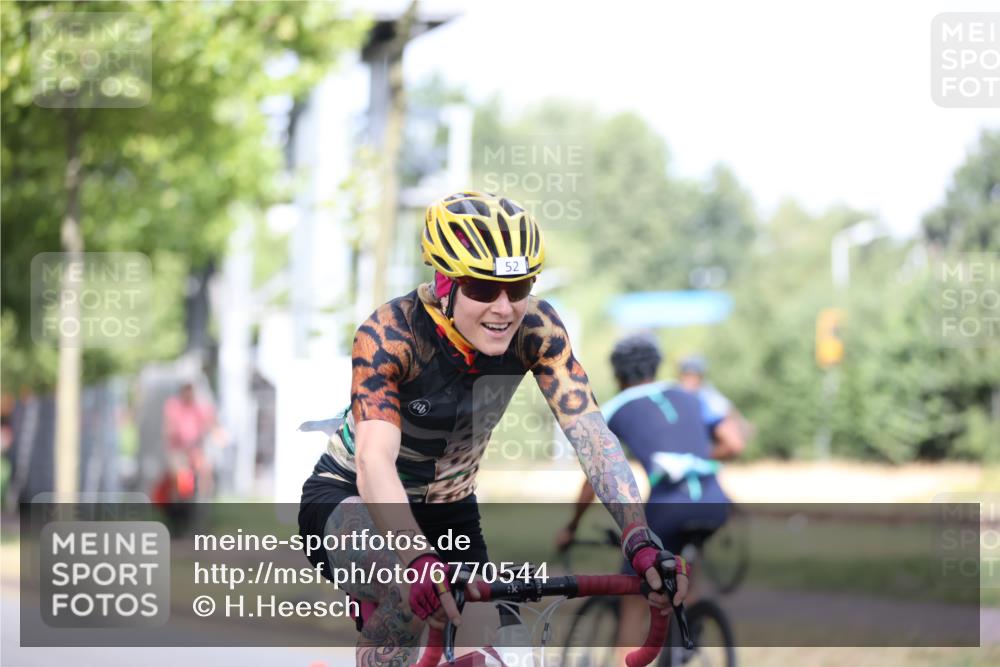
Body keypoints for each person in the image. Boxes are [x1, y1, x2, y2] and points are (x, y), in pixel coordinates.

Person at [297, 192, 687, 665]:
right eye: (483, 290)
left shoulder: (537, 328)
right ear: (444, 283)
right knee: (406, 590)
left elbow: (593, 437)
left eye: (519, 288)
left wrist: (639, 538)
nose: (504, 308)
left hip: (451, 510)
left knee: (502, 652)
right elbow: (373, 460)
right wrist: (417, 559)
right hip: (350, 497)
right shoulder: (391, 333)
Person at [557, 334, 744, 666]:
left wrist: (572, 525)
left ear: (617, 374)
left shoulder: (614, 408)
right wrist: (694, 455)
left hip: (669, 503)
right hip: (715, 500)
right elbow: (733, 443)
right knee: (685, 566)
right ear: (656, 366)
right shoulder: (690, 394)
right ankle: (689, 635)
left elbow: (595, 476)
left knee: (635, 591)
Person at [157, 382, 216, 501]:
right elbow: (169, 429)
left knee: (205, 470)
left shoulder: (198, 407)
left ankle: (203, 501)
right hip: (178, 450)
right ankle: (179, 502)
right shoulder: (174, 407)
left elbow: (209, 423)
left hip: (195, 449)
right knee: (180, 474)